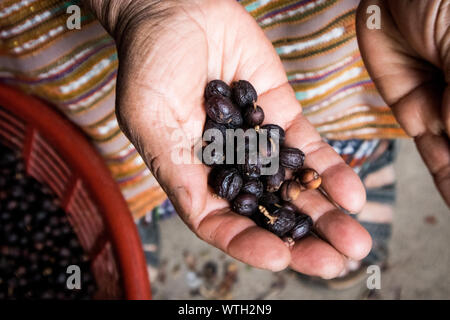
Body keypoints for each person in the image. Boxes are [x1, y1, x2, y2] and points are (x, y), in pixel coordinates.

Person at [0, 0, 448, 289]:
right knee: (153, 142)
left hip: (340, 28)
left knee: (336, 107)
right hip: (93, 33)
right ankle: (139, 202)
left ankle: (357, 158)